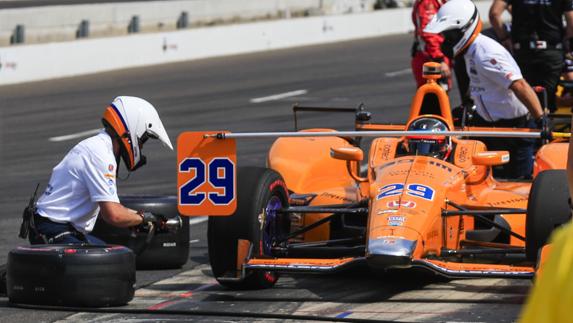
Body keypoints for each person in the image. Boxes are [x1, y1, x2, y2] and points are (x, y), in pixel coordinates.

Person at [21, 96, 173, 245]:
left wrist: (148, 218)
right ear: (132, 130)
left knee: (115, 257)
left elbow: (110, 207)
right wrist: (144, 219)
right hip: (53, 229)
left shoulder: (99, 147)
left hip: (56, 227)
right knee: (111, 266)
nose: (140, 147)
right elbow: (114, 215)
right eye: (142, 141)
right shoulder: (100, 155)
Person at [424, 0, 545, 179]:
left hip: (515, 130)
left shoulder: (486, 54)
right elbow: (478, 83)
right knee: (483, 182)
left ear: (464, 30)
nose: (447, 41)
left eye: (449, 36)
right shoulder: (469, 51)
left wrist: (541, 119)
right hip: (489, 127)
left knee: (516, 186)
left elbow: (519, 85)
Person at [489, 0, 573, 112]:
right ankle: (545, 122)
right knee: (546, 102)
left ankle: (530, 123)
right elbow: (571, 22)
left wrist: (504, 38)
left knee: (524, 99)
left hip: (523, 51)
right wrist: (566, 42)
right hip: (551, 52)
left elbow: (494, 14)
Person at [410, 0, 452, 90]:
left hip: (436, 55)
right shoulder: (428, 3)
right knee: (435, 94)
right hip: (431, 58)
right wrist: (440, 60)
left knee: (442, 92)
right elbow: (428, 33)